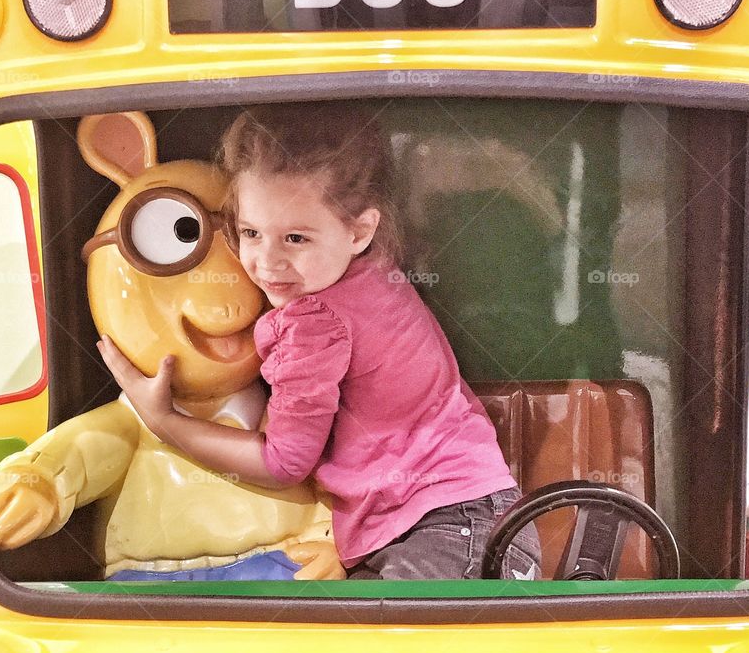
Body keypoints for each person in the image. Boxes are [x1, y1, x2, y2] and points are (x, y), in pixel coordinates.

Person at [97, 102, 542, 580]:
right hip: (479, 518)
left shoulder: (314, 323)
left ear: (359, 231)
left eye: (295, 238)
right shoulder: (369, 274)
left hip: (448, 529)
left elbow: (283, 461)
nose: (266, 261)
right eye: (250, 232)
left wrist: (163, 420)